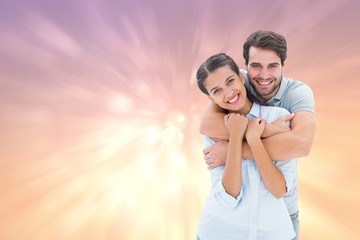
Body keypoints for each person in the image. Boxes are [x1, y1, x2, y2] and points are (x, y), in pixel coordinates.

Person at [200, 30, 316, 239]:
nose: (263, 75)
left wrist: (233, 147)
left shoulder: (295, 96)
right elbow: (207, 125)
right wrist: (267, 130)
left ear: (283, 65)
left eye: (272, 66)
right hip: (225, 227)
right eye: (256, 66)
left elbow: (301, 145)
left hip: (280, 214)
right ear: (244, 69)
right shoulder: (233, 82)